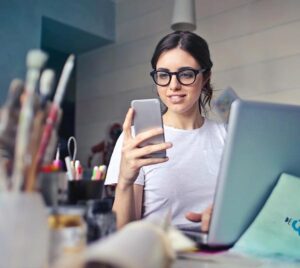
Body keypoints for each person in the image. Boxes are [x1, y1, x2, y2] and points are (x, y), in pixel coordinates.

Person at [105, 31, 226, 232]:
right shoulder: (137, 139)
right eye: (163, 75)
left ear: (205, 77)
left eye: (186, 74)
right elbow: (123, 233)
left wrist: (224, 217)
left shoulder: (227, 136)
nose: (173, 86)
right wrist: (125, 181)